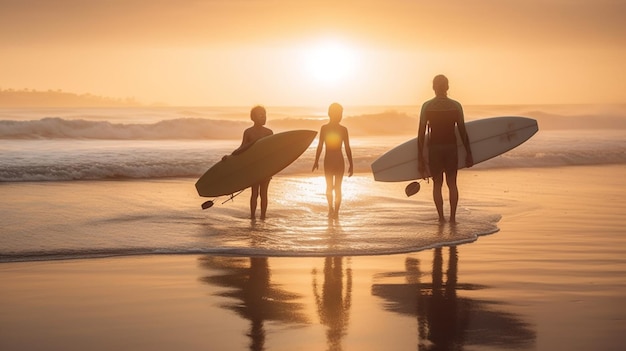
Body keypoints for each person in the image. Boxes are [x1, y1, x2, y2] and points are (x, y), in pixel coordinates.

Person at [417, 75, 473, 223]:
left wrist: (420, 158)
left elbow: (421, 134)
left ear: (433, 87)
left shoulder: (427, 106)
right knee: (452, 183)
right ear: (447, 87)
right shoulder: (456, 106)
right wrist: (469, 153)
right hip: (451, 148)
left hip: (434, 149)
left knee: (437, 184)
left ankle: (441, 218)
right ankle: (453, 218)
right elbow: (462, 131)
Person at [224, 105, 273, 220]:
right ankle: (252, 217)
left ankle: (263, 216)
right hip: (253, 167)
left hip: (265, 167)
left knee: (264, 194)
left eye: (265, 115)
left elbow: (272, 152)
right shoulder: (248, 132)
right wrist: (229, 157)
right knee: (254, 193)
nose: (264, 117)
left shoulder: (269, 133)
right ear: (253, 118)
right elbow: (241, 148)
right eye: (260, 115)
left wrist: (273, 167)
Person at [312, 103, 354, 218]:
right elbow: (320, 145)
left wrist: (351, 164)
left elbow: (347, 147)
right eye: (338, 113)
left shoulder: (328, 128)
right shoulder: (332, 129)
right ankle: (332, 210)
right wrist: (316, 160)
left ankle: (333, 210)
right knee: (332, 186)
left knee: (333, 186)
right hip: (335, 159)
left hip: (332, 159)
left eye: (341, 113)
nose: (340, 116)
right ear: (330, 114)